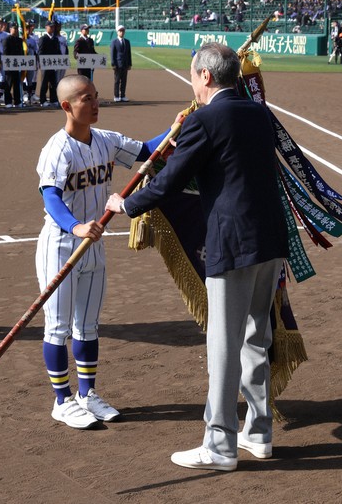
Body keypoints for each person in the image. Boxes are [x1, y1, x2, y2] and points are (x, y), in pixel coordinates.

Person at [106, 42, 288, 471]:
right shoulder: (259, 112)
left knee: (224, 345)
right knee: (255, 337)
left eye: (193, 75)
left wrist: (125, 205)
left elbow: (170, 183)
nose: (193, 82)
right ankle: (259, 432)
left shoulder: (206, 118)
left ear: (206, 76)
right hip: (270, 240)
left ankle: (220, 443)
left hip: (234, 242)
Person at [37, 74, 170, 429]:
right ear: (67, 106)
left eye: (96, 97)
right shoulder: (57, 149)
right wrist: (75, 226)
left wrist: (176, 127)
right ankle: (61, 400)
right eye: (86, 99)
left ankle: (87, 393)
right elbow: (50, 196)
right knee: (58, 327)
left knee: (88, 326)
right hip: (62, 245)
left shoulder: (106, 141)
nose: (95, 104)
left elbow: (146, 150)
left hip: (92, 245)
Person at [2, 21, 24, 107]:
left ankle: (17, 101)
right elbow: (5, 53)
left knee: (16, 84)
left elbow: (21, 52)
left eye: (17, 28)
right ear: (10, 29)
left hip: (17, 65)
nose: (16, 30)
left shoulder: (19, 40)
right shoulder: (6, 40)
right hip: (9, 65)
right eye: (14, 28)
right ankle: (8, 102)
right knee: (8, 84)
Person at [37, 20, 60, 106]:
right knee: (44, 82)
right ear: (46, 27)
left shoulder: (55, 39)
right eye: (50, 27)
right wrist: (41, 62)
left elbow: (58, 51)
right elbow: (40, 52)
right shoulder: (43, 39)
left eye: (53, 27)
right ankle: (43, 100)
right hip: (45, 64)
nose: (52, 28)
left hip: (53, 64)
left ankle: (53, 99)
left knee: (53, 83)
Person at [110, 25, 132, 102]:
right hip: (117, 64)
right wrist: (113, 64)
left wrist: (130, 64)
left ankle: (122, 95)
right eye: (120, 31)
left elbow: (129, 53)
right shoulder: (114, 42)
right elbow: (112, 54)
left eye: (123, 31)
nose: (121, 32)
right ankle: (116, 96)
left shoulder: (127, 42)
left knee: (124, 81)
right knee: (117, 81)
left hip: (125, 64)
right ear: (117, 32)